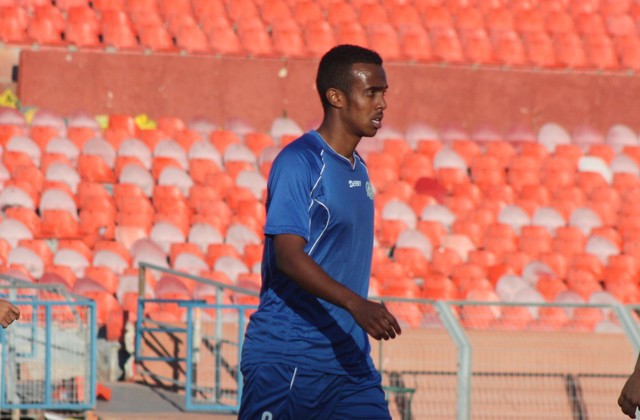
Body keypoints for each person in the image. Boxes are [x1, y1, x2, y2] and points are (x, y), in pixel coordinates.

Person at [238, 44, 402, 419]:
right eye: (371, 93)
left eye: (383, 93)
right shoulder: (300, 162)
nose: (382, 104)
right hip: (291, 357)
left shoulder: (359, 168)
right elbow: (287, 256)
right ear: (336, 97)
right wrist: (355, 303)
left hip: (350, 365)